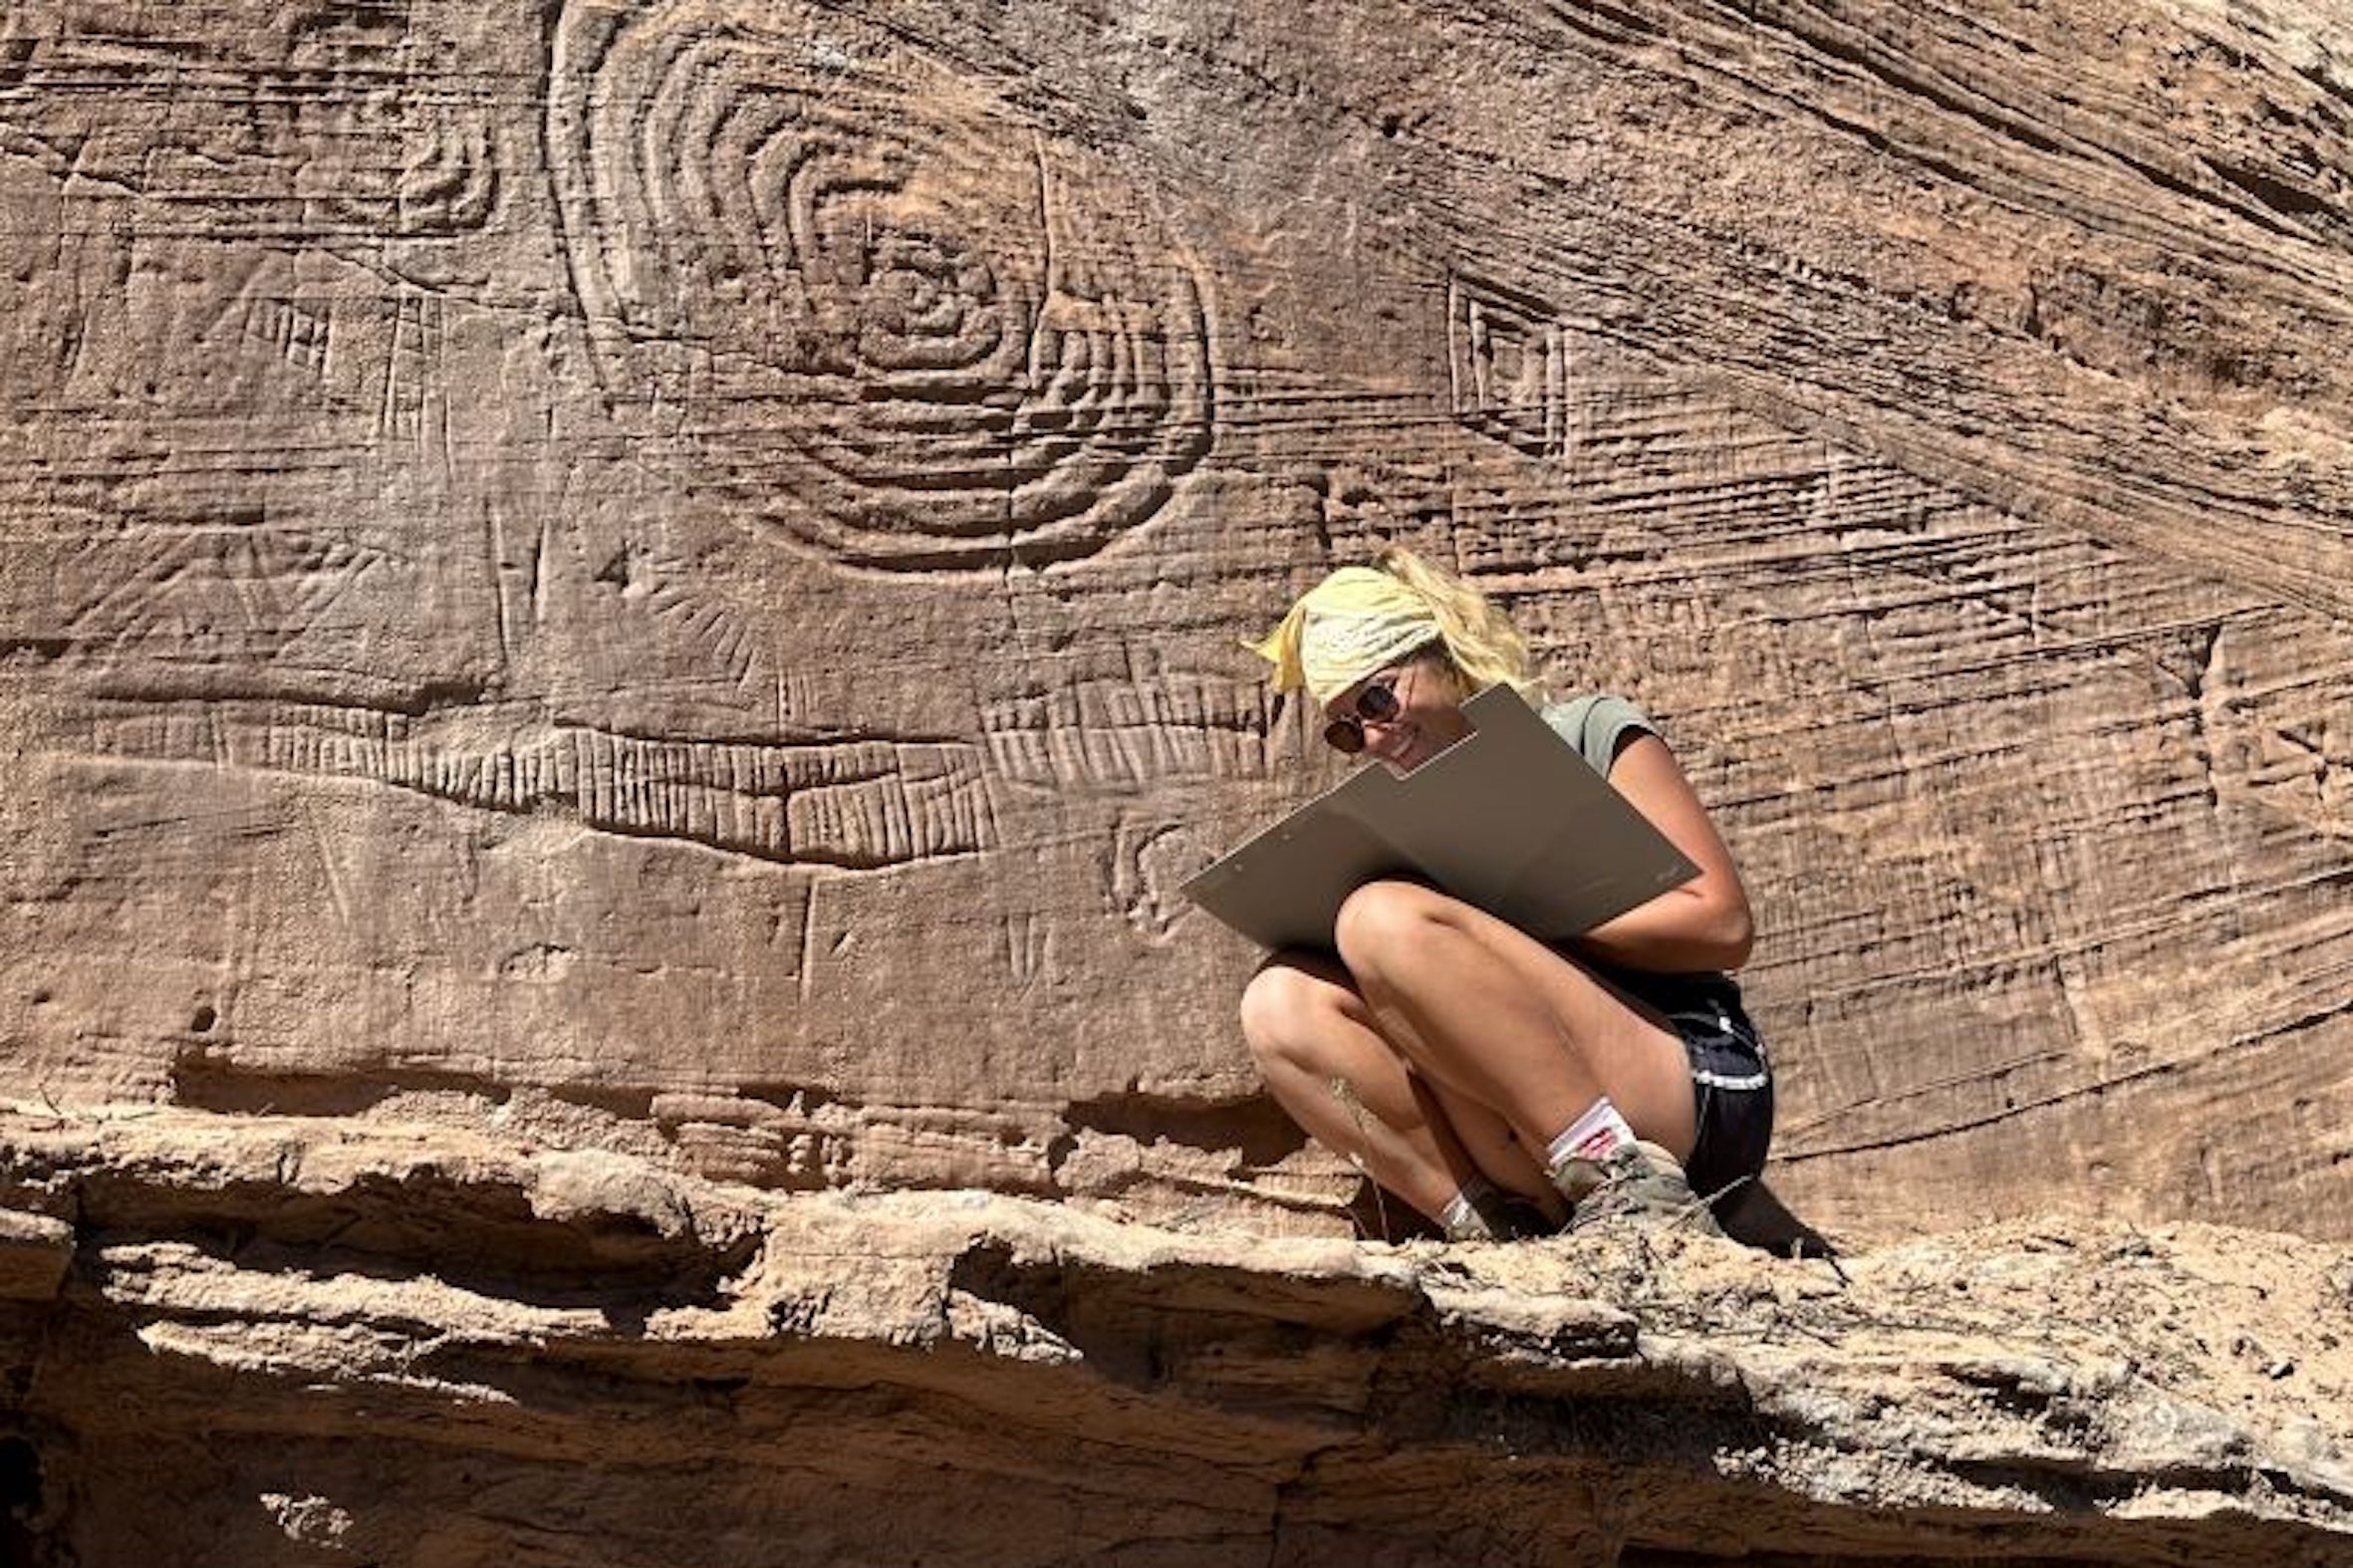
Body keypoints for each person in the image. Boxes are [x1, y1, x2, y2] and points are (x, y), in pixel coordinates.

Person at [1238, 548, 1772, 1240]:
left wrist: (1518, 923)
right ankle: (1494, 1228)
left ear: (1446, 657)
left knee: (1382, 920)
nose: (1372, 736)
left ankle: (1628, 1184)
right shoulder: (1403, 826)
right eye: (1347, 729)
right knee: (1279, 1002)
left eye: (1377, 698)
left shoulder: (1588, 731)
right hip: (1524, 1135)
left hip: (1690, 1090)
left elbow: (1724, 925)